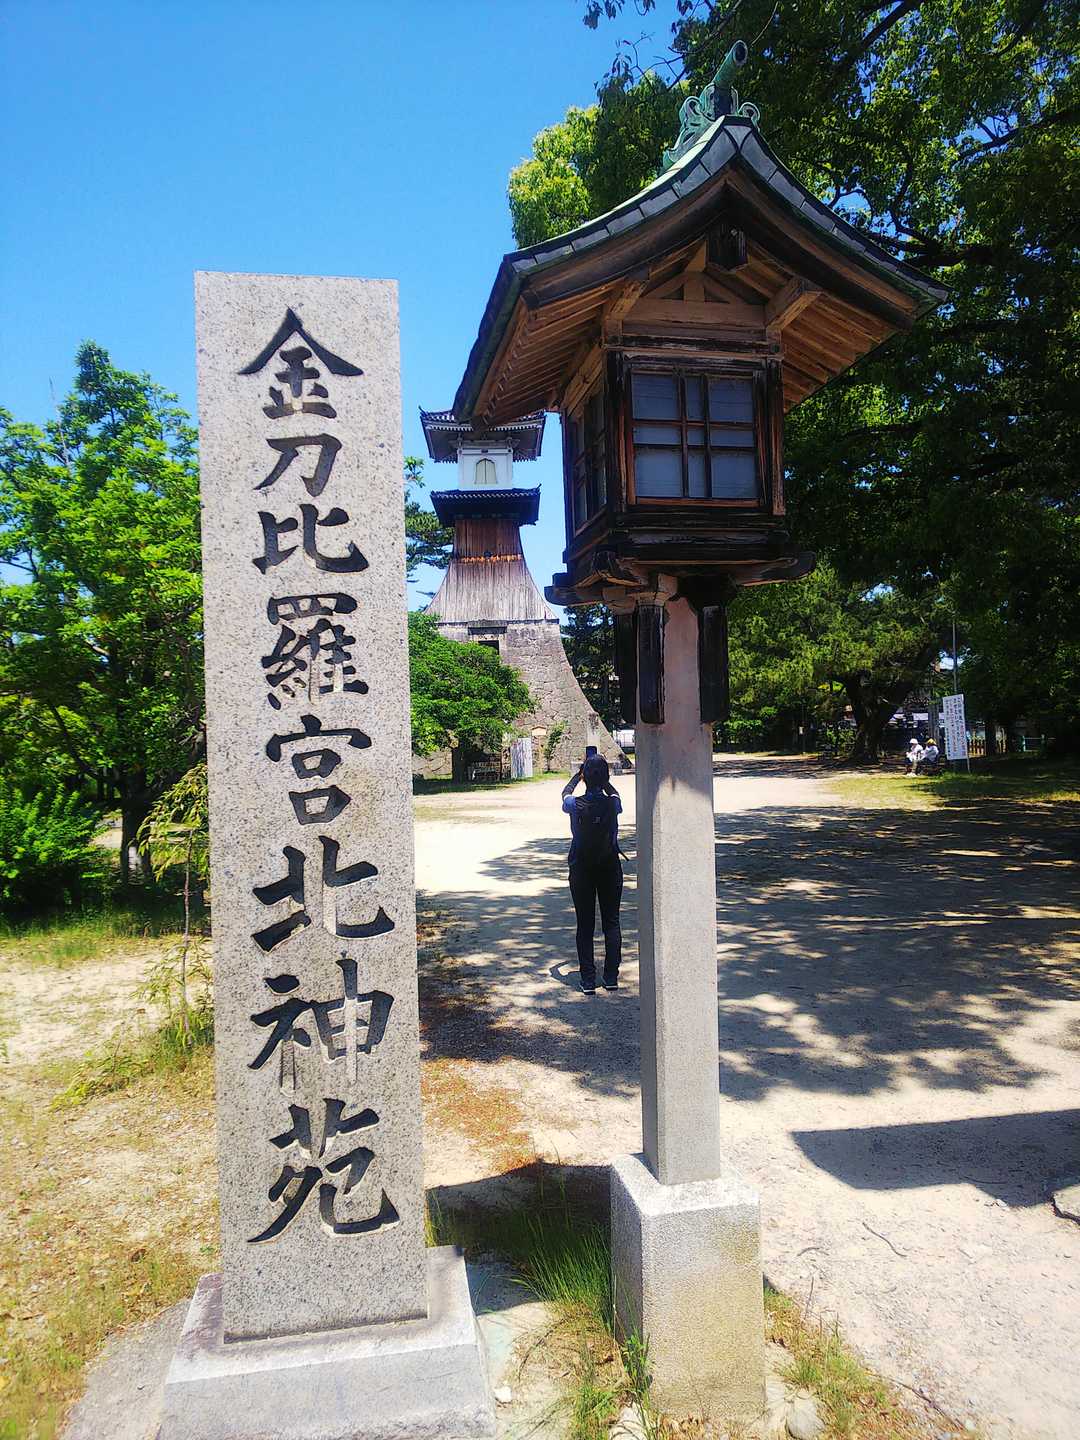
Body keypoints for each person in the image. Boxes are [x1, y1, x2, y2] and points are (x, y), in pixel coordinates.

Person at [562, 754, 623, 994]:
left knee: (585, 924)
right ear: (606, 777)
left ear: (585, 777)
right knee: (612, 922)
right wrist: (603, 781)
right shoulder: (612, 804)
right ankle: (611, 977)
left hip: (581, 869)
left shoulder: (574, 804)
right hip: (610, 866)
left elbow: (565, 794)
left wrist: (578, 777)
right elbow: (614, 794)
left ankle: (588, 979)